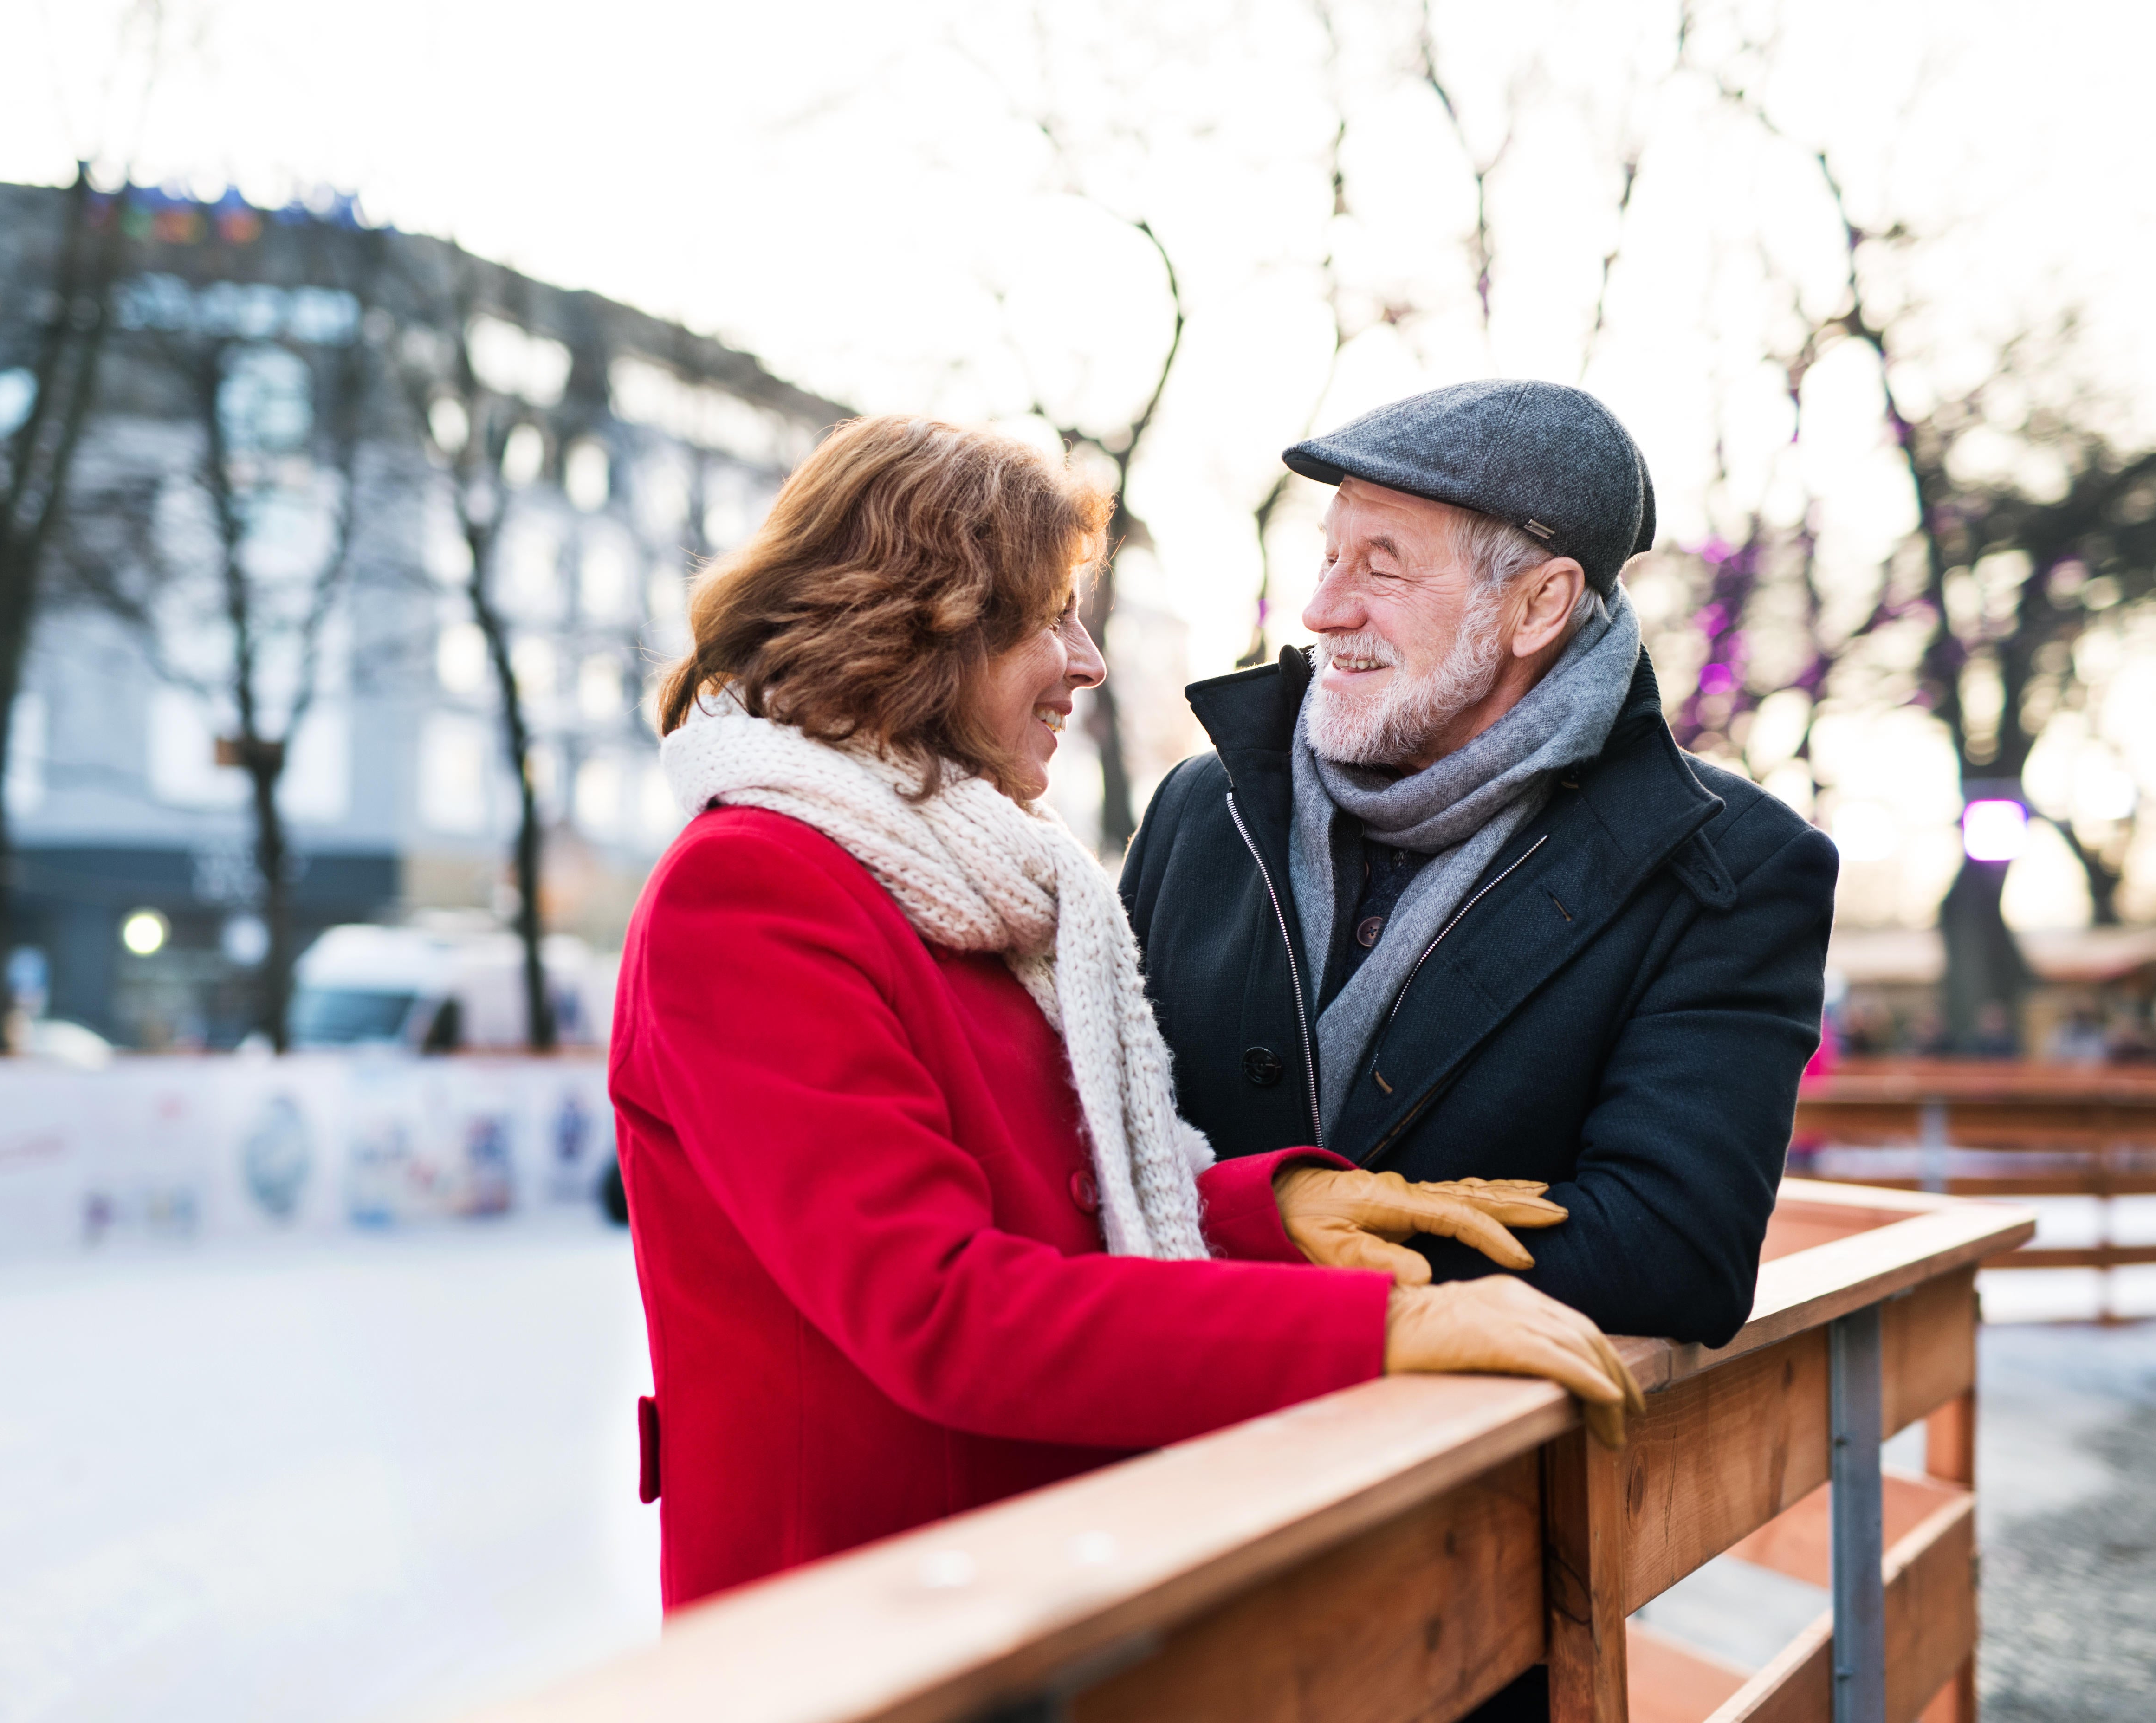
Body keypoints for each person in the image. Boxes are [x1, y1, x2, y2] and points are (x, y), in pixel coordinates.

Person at [612, 414, 1642, 1610]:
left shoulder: (976, 875)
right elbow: (942, 1304)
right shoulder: (752, 893)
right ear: (922, 624)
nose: (1089, 661)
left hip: (1035, 1578)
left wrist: (1281, 1207)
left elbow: (1064, 1190)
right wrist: (1373, 1330)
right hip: (863, 1611)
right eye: (1051, 618)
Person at [1121, 381, 1839, 1353]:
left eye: (1384, 567)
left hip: (1463, 1481)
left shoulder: (1731, 867)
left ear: (1538, 604)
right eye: (1329, 555)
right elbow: (1088, 1144)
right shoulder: (1202, 810)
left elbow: (1674, 1252)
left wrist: (1310, 1258)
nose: (1324, 608)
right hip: (1156, 1454)